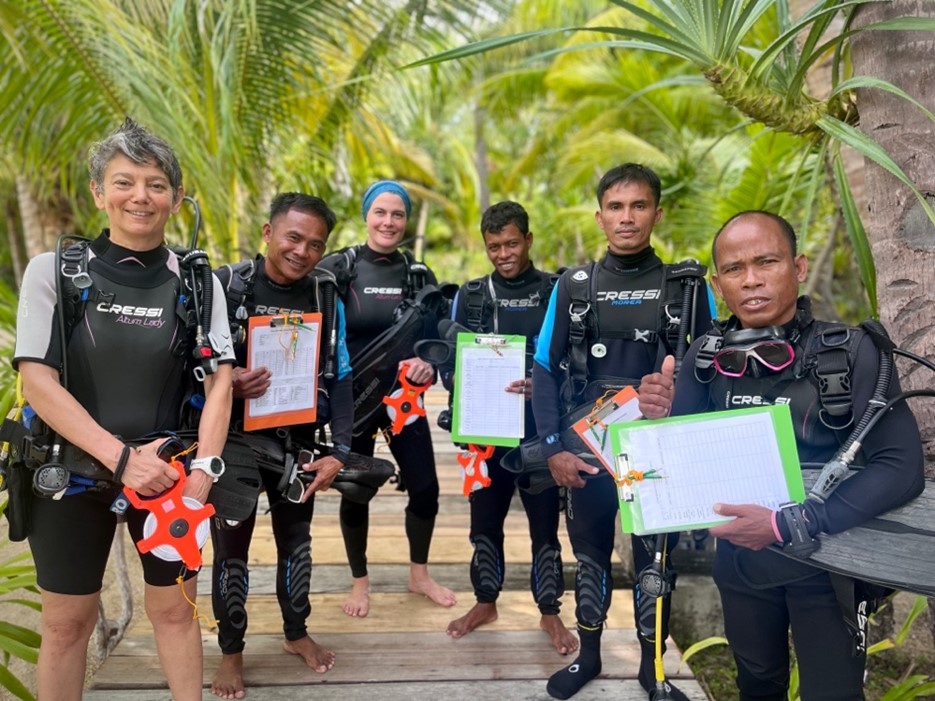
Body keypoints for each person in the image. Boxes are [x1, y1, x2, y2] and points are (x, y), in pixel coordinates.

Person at [638, 210, 925, 700]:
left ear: (798, 267)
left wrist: (792, 523)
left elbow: (902, 468)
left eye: (766, 261)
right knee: (757, 686)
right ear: (717, 283)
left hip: (831, 566)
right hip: (740, 566)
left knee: (831, 693)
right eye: (733, 269)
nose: (750, 280)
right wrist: (655, 421)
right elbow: (676, 460)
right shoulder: (705, 357)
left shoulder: (851, 352)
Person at [12, 117, 234, 701]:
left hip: (170, 475)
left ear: (177, 197)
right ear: (98, 192)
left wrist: (203, 476)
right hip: (71, 472)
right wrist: (120, 459)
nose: (141, 196)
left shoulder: (197, 280)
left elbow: (220, 383)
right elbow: (38, 381)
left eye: (156, 184)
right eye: (124, 181)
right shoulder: (55, 272)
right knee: (65, 623)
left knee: (175, 613)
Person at [532, 163, 713, 700]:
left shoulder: (685, 289)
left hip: (655, 448)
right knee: (588, 555)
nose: (626, 218)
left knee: (656, 562)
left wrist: (681, 423)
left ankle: (651, 670)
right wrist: (550, 451)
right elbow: (544, 368)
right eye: (615, 207)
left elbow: (708, 374)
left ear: (657, 213)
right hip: (584, 447)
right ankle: (588, 658)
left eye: (638, 206)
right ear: (600, 215)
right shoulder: (574, 285)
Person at [209, 193, 353, 698]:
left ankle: (295, 633)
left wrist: (340, 449)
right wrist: (228, 382)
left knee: (298, 544)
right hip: (234, 443)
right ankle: (231, 652)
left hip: (298, 442)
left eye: (316, 244)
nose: (302, 251)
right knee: (232, 553)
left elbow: (341, 373)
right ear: (268, 233)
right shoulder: (228, 287)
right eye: (293, 237)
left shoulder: (324, 293)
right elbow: (192, 363)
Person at [443, 201, 577, 655]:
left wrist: (542, 386)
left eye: (512, 243)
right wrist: (456, 376)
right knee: (484, 523)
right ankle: (485, 602)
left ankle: (550, 612)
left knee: (545, 526)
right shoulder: (472, 294)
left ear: (529, 240)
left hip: (541, 432)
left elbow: (574, 361)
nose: (504, 253)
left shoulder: (557, 290)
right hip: (486, 434)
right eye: (494, 246)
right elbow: (451, 363)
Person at [318, 179, 456, 617]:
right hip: (352, 401)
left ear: (406, 221)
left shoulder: (418, 276)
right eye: (380, 212)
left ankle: (419, 574)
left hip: (403, 401)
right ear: (366, 215)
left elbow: (435, 340)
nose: (388, 222)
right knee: (355, 491)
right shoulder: (340, 268)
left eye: (397, 214)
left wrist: (429, 365)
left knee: (427, 488)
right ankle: (360, 583)